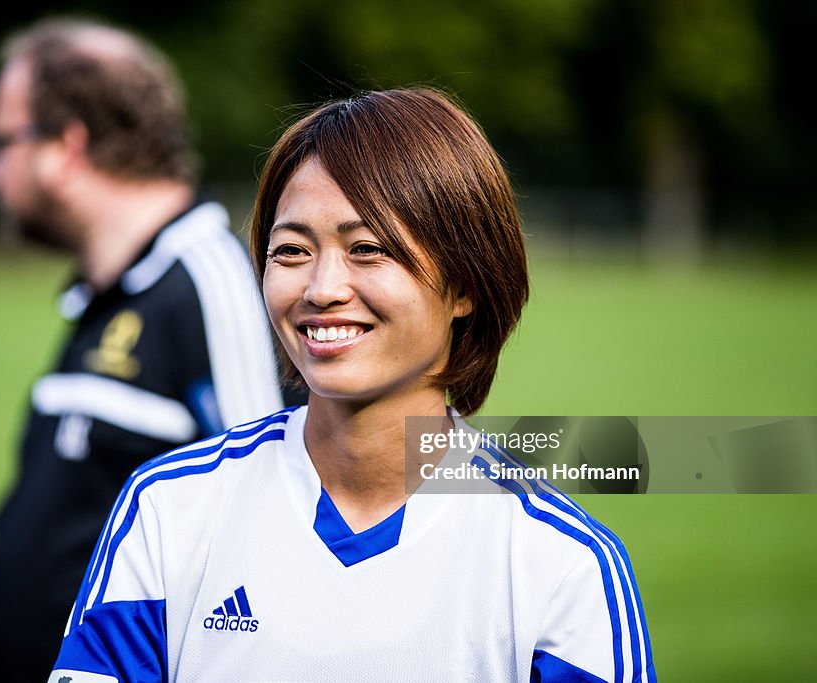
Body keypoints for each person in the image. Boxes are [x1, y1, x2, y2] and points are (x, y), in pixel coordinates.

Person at [50, 88, 655, 682]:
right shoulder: (169, 507)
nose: (320, 288)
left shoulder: (558, 562)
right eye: (290, 250)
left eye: (367, 249)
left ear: (467, 285)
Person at [0, 17, 292, 682]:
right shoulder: (112, 290)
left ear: (64, 146)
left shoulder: (205, 282)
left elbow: (277, 532)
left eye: (2, 143)